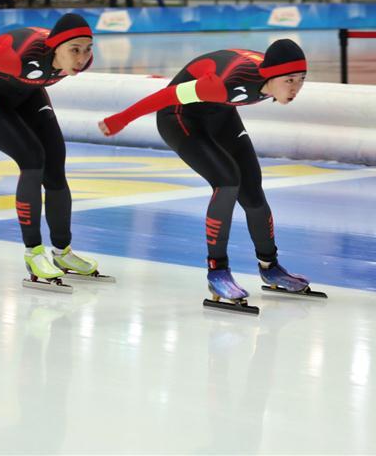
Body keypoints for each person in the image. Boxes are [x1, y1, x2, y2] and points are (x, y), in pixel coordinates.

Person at [98, 40, 323, 313]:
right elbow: (165, 97)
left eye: (301, 79)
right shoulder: (223, 84)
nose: (295, 87)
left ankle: (270, 267)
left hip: (221, 112)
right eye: (289, 80)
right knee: (227, 181)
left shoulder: (268, 76)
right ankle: (217, 272)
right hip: (180, 117)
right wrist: (122, 118)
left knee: (252, 190)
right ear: (270, 75)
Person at [0, 14, 113, 291]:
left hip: (28, 93)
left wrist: (77, 54)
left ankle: (63, 252)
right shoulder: (17, 58)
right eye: (74, 50)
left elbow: (60, 63)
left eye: (87, 49)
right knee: (32, 159)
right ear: (56, 47)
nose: (82, 58)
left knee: (55, 166)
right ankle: (34, 253)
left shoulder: (80, 62)